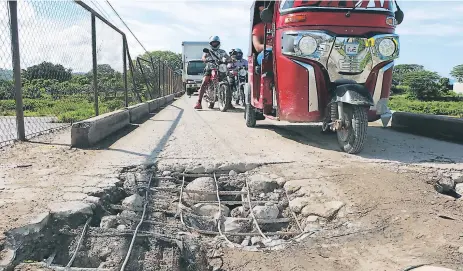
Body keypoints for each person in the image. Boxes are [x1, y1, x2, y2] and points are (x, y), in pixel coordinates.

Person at [194, 36, 230, 110]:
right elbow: (203, 57)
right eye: (213, 43)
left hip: (220, 68)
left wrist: (230, 59)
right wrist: (205, 60)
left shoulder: (222, 51)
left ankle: (228, 103)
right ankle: (199, 102)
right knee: (204, 82)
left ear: (219, 43)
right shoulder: (208, 51)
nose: (215, 44)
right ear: (211, 43)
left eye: (216, 43)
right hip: (210, 68)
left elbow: (228, 57)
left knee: (228, 82)